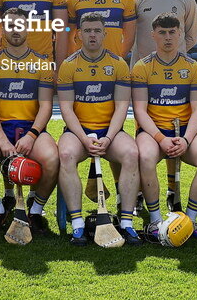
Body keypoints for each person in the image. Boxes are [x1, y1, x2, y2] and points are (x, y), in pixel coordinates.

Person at [131, 12, 197, 240]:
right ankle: (156, 221)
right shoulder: (142, 67)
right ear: (153, 35)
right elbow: (140, 111)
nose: (168, 37)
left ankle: (189, 220)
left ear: (180, 34)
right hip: (153, 132)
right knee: (146, 157)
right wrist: (161, 139)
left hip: (185, 131)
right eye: (162, 33)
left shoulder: (193, 67)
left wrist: (187, 140)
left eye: (172, 33)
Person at [58, 13, 140, 246]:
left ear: (105, 34)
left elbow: (122, 106)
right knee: (65, 155)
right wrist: (84, 138)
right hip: (78, 132)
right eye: (87, 31)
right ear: (78, 35)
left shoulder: (118, 64)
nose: (92, 35)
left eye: (96, 31)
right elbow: (66, 109)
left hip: (110, 131)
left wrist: (109, 137)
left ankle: (126, 222)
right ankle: (77, 225)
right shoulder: (69, 65)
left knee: (132, 153)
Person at [0, 7, 59, 234]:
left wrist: (32, 135)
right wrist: (2, 140)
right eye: (10, 26)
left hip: (31, 128)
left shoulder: (42, 63)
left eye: (20, 26)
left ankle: (35, 212)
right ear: (2, 29)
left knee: (52, 159)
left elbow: (46, 106)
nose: (15, 30)